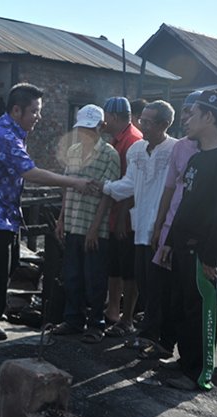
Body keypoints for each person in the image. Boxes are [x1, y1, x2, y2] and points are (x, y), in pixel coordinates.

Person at [0, 83, 98, 340]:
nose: (38, 117)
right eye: (34, 111)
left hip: (2, 211)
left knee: (11, 261)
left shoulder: (11, 129)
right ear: (17, 110)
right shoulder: (5, 136)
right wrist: (75, 182)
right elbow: (31, 172)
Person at [150, 90, 217, 357]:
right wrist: (169, 242)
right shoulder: (196, 158)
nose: (186, 120)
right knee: (182, 306)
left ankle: (198, 373)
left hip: (204, 254)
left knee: (200, 312)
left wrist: (211, 257)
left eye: (192, 114)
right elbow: (185, 206)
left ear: (208, 117)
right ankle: (184, 364)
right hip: (183, 247)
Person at [102, 101, 177, 345]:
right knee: (144, 281)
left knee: (160, 286)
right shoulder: (136, 150)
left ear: (164, 124)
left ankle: (157, 337)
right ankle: (148, 334)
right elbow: (129, 185)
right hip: (141, 227)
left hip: (162, 230)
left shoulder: (176, 151)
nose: (141, 124)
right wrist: (103, 187)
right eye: (141, 119)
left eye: (147, 121)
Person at [53, 105, 120, 343]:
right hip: (72, 221)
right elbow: (67, 186)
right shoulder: (73, 150)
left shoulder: (110, 154)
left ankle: (96, 323)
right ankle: (73, 319)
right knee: (72, 276)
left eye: (90, 128)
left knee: (95, 279)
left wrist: (94, 228)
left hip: (94, 226)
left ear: (101, 127)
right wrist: (61, 219)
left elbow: (107, 193)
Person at [101, 97, 143, 337]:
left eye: (106, 116)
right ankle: (113, 311)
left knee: (128, 270)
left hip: (127, 215)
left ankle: (126, 317)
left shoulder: (133, 141)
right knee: (114, 267)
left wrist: (124, 218)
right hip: (116, 212)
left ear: (114, 117)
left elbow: (132, 185)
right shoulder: (119, 139)